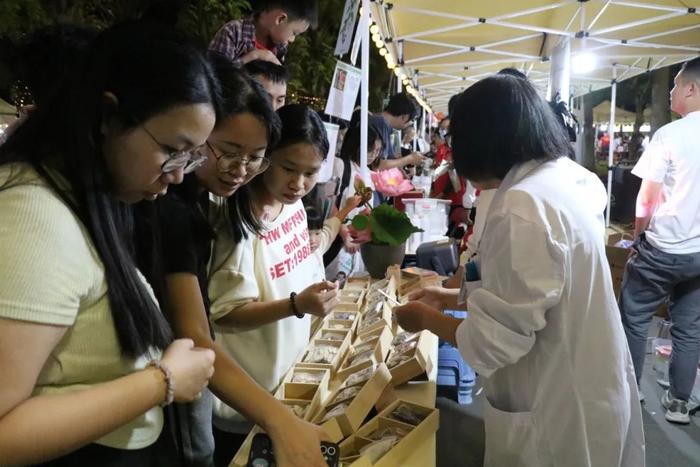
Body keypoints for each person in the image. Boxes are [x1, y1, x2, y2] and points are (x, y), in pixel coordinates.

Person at [393, 74, 644, 466]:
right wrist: (451, 296)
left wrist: (424, 318)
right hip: (589, 377)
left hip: (557, 404)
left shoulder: (524, 206)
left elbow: (494, 342)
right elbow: (531, 287)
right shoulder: (565, 176)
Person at [0, 22, 218, 466]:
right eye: (173, 150)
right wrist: (164, 381)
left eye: (192, 157)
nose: (178, 174)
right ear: (107, 117)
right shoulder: (35, 219)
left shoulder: (95, 196)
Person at [136, 62, 330, 467]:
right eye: (226, 152)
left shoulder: (197, 197)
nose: (241, 171)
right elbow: (199, 333)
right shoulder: (180, 207)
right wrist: (279, 420)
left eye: (255, 158)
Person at [207, 104, 339, 462]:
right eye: (289, 168)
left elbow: (304, 270)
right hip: (245, 403)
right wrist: (297, 305)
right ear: (267, 159)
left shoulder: (294, 207)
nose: (299, 184)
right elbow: (227, 313)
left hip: (288, 385)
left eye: (311, 173)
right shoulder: (238, 226)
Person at [619, 56, 700, 424]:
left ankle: (631, 387)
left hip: (662, 248)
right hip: (698, 255)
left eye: (675, 84)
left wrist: (638, 237)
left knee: (635, 317)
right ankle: (680, 403)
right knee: (690, 327)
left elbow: (646, 199)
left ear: (691, 89)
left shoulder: (671, 135)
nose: (670, 91)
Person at [209, 0, 317, 66]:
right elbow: (214, 76)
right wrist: (253, 56)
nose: (292, 40)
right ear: (280, 19)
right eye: (294, 33)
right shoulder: (234, 32)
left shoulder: (280, 49)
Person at [358, 92, 426, 170]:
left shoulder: (386, 126)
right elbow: (378, 165)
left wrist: (403, 172)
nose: (408, 125)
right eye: (410, 121)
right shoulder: (381, 123)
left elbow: (393, 157)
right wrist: (410, 159)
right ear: (404, 117)